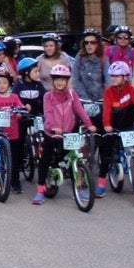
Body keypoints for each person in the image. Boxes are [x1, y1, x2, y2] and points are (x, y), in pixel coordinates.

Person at [35, 64, 95, 204]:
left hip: (69, 131)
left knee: (73, 157)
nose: (59, 82)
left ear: (67, 80)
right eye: (57, 79)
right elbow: (48, 114)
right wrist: (53, 127)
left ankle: (79, 188)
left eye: (62, 79)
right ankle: (40, 190)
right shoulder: (48, 97)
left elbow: (80, 111)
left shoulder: (72, 95)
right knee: (46, 159)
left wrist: (89, 125)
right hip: (53, 133)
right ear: (52, 81)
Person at [96, 61, 134, 197]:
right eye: (112, 76)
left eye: (117, 76)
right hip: (112, 127)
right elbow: (107, 110)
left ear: (125, 77)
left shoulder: (131, 90)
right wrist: (107, 124)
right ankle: (101, 183)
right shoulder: (108, 92)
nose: (113, 78)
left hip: (128, 127)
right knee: (106, 153)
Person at [0, 70, 26, 195]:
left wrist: (22, 111)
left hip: (13, 133)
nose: (2, 85)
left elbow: (21, 108)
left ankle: (15, 181)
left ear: (9, 84)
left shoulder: (14, 97)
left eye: (4, 82)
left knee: (14, 158)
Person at [72, 29, 107, 103]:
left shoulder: (103, 58)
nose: (89, 45)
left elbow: (108, 79)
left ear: (98, 44)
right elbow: (75, 79)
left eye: (93, 42)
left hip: (100, 99)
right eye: (86, 42)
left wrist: (105, 96)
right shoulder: (79, 57)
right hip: (83, 99)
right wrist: (84, 96)